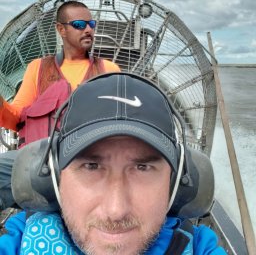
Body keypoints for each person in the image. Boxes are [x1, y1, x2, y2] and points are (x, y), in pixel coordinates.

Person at [0, 73, 227, 254]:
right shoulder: (19, 243)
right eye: (91, 166)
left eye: (143, 167)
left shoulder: (198, 247)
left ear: (177, 184)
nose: (115, 211)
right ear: (53, 177)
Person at [0, 1, 120, 209]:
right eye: (80, 24)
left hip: (90, 159)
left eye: (91, 24)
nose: (89, 30)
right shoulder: (38, 68)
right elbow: (16, 119)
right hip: (41, 159)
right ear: (60, 29)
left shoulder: (108, 69)